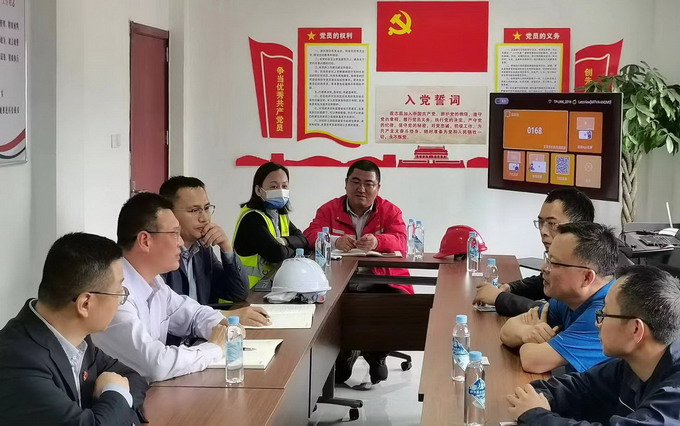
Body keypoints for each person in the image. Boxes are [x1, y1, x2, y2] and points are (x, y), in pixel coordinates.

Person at [92, 192, 268, 383]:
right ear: (145, 241)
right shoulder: (114, 293)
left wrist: (222, 327)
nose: (181, 242)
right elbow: (156, 365)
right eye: (174, 233)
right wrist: (214, 348)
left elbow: (192, 315)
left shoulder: (155, 283)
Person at [0, 232, 148, 425]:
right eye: (118, 292)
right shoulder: (18, 361)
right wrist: (115, 392)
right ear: (85, 304)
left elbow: (133, 378)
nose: (121, 300)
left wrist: (111, 412)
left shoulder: (78, 340)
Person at [507, 265, 680, 425]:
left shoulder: (674, 395)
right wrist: (535, 398)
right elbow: (581, 386)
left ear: (635, 329)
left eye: (605, 314)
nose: (598, 323)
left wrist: (536, 415)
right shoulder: (632, 364)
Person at [303, 159, 412, 385]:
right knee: (332, 308)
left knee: (402, 306)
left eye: (368, 184)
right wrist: (334, 241)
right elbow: (310, 235)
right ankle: (346, 350)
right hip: (341, 281)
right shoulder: (329, 209)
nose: (361, 188)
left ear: (378, 188)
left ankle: (376, 353)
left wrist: (378, 241)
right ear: (346, 184)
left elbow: (401, 242)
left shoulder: (390, 211)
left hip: (383, 279)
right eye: (355, 182)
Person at [500, 222, 618, 374]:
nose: (544, 268)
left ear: (587, 277)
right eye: (547, 258)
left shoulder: (606, 314)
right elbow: (507, 330)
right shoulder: (568, 299)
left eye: (554, 263)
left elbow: (533, 361)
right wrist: (528, 333)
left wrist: (528, 339)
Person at [475, 188, 595, 316]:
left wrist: (500, 298)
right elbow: (543, 281)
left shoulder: (587, 265)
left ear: (579, 226)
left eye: (552, 223)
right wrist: (510, 288)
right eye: (541, 222)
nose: (543, 231)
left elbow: (555, 315)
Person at [159, 176, 251, 305]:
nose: (205, 218)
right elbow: (167, 311)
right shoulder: (160, 253)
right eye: (194, 210)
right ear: (169, 213)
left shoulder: (203, 249)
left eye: (206, 208)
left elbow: (238, 293)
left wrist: (227, 248)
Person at [233, 162, 308, 287]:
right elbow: (277, 254)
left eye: (284, 186)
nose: (280, 191)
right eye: (273, 186)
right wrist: (294, 249)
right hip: (248, 291)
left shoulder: (280, 215)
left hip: (268, 287)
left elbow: (303, 240)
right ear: (258, 190)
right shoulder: (252, 218)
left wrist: (284, 241)